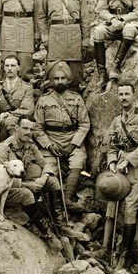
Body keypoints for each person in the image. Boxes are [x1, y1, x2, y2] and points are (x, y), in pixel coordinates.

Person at [103, 80, 138, 268]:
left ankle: (124, 254)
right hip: (120, 171)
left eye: (127, 94)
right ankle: (105, 248)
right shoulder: (117, 121)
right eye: (121, 94)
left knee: (130, 209)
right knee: (111, 205)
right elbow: (111, 145)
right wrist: (112, 162)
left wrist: (128, 160)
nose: (124, 98)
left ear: (134, 96)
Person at [0, 116, 63, 250]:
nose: (28, 132)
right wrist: (27, 185)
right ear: (16, 128)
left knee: (53, 181)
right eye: (25, 128)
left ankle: (59, 225)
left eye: (31, 129)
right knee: (27, 194)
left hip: (27, 183)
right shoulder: (3, 149)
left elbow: (46, 164)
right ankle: (47, 234)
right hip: (6, 190)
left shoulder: (30, 145)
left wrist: (44, 177)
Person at [34, 61, 90, 214]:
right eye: (56, 79)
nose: (60, 82)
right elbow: (38, 128)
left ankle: (67, 199)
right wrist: (49, 146)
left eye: (63, 78)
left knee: (78, 161)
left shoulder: (76, 99)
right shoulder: (43, 100)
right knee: (49, 168)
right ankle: (51, 204)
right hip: (51, 141)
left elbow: (84, 124)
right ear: (51, 81)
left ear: (68, 80)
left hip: (72, 139)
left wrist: (73, 145)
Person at [38, 0, 91, 91]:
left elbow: (85, 20)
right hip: (56, 34)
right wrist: (44, 36)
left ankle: (74, 99)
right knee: (56, 69)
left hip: (74, 34)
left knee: (74, 71)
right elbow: (41, 17)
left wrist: (85, 41)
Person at [0, 55, 34, 157]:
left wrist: (4, 115)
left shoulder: (27, 88)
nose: (9, 68)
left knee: (10, 122)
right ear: (3, 68)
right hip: (0, 126)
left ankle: (17, 157)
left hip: (17, 124)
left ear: (18, 68)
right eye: (7, 65)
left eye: (12, 65)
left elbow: (28, 110)